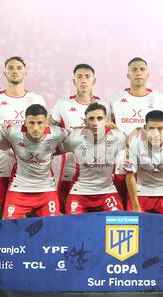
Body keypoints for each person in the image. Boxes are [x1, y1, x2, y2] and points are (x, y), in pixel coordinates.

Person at [0, 56, 46, 220]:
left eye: (19, 67)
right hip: (2, 161)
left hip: (30, 164)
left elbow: (44, 130)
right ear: (4, 73)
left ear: (26, 73)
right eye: (10, 68)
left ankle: (30, 245)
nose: (15, 71)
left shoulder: (36, 99)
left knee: (32, 211)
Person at [50, 64, 110, 212]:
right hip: (69, 168)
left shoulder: (105, 105)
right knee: (66, 212)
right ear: (74, 81)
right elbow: (49, 129)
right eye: (79, 77)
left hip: (99, 171)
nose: (83, 80)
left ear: (94, 81)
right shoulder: (63, 105)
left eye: (87, 76)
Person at [110, 57, 163, 204]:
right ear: (128, 74)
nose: (138, 73)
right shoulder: (115, 98)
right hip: (123, 157)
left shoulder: (159, 98)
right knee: (121, 202)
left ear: (148, 74)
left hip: (150, 159)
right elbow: (109, 124)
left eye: (142, 69)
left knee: (143, 202)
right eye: (134, 69)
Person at [0, 104, 68, 219]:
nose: (35, 128)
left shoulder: (58, 133)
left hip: (46, 190)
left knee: (52, 230)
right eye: (31, 123)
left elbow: (79, 136)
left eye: (40, 123)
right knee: (10, 230)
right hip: (19, 190)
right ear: (25, 122)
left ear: (47, 122)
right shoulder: (13, 132)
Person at [63, 103, 125, 214]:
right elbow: (51, 149)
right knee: (72, 226)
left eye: (99, 118)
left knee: (118, 223)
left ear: (106, 120)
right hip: (79, 192)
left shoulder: (118, 137)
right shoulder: (74, 138)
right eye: (91, 119)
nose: (95, 122)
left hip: (107, 191)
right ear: (85, 122)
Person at [124, 110, 163, 215]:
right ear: (145, 128)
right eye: (151, 128)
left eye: (160, 129)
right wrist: (136, 207)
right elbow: (130, 176)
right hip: (141, 191)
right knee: (136, 227)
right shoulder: (134, 143)